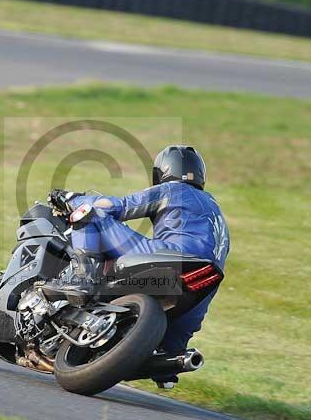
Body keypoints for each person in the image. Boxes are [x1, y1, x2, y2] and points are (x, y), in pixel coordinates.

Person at [47, 145, 229, 386]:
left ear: (162, 172)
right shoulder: (217, 215)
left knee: (88, 213)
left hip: (169, 257)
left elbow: (114, 207)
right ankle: (167, 367)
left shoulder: (173, 190)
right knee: (186, 319)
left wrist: (71, 198)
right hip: (205, 278)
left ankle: (82, 278)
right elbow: (199, 300)